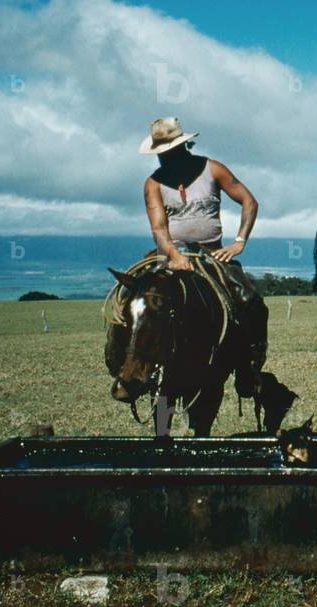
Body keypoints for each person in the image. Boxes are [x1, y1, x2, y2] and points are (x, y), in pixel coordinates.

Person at [107, 117, 268, 407]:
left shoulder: (213, 169)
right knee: (132, 300)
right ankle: (122, 367)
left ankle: (249, 369)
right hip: (169, 253)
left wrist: (239, 242)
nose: (164, 157)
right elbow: (159, 227)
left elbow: (249, 201)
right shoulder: (153, 183)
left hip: (211, 254)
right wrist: (174, 254)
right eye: (160, 152)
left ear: (184, 146)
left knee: (250, 300)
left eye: (169, 151)